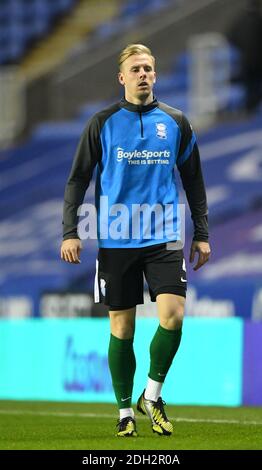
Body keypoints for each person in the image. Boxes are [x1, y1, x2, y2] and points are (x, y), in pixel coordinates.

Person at [61, 44, 211, 437]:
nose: (143, 73)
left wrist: (202, 233)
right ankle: (125, 412)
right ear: (122, 77)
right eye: (136, 68)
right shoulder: (102, 122)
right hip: (115, 237)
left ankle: (153, 394)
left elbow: (193, 179)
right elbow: (78, 178)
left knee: (174, 315)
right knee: (122, 329)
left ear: (155, 76)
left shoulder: (176, 122)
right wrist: (70, 231)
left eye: (148, 68)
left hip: (163, 236)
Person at [227, 0, 262, 113]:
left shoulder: (240, 21)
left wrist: (243, 48)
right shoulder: (258, 20)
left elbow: (231, 36)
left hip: (246, 59)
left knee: (249, 88)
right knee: (255, 86)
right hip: (258, 59)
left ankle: (249, 109)